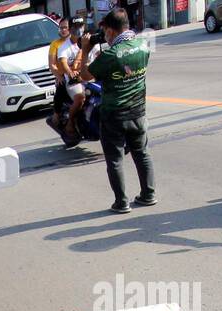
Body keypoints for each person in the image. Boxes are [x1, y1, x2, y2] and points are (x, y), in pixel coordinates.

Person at [80, 8, 155, 214]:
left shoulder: (111, 54)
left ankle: (122, 202)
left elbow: (85, 75)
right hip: (139, 111)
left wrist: (86, 49)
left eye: (105, 32)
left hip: (114, 115)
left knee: (115, 159)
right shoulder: (143, 45)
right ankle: (148, 194)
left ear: (111, 32)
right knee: (142, 153)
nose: (104, 36)